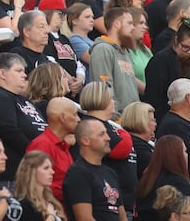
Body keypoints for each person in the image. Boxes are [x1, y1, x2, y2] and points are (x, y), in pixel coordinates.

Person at [0, 51, 47, 186]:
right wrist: (34, 154)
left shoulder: (21, 99)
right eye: (18, 70)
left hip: (33, 171)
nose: (24, 75)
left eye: (24, 71)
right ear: (2, 74)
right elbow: (8, 130)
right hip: (14, 175)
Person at [78, 81, 138, 218]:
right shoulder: (91, 126)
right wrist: (126, 136)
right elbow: (121, 148)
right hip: (107, 202)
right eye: (110, 98)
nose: (113, 101)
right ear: (101, 100)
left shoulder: (109, 126)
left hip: (123, 201)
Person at [62, 118, 127, 221]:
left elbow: (122, 216)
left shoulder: (110, 173)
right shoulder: (78, 173)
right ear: (85, 140)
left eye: (106, 133)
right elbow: (84, 218)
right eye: (101, 134)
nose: (108, 138)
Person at [145, 19, 190, 122]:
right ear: (176, 40)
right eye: (185, 47)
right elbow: (154, 99)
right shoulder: (160, 61)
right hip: (167, 119)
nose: (189, 52)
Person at [26, 96, 80, 203]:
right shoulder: (42, 144)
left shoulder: (63, 145)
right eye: (75, 114)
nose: (79, 119)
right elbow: (36, 185)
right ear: (63, 118)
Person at [88, 7, 139, 115]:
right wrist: (114, 118)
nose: (133, 27)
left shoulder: (125, 52)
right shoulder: (103, 49)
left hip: (130, 120)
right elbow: (104, 88)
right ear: (116, 24)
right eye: (129, 23)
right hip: (117, 121)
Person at [133, 135, 190, 220]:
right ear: (177, 155)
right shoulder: (178, 182)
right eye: (185, 151)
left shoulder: (146, 180)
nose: (187, 155)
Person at [15, 150, 66, 221]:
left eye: (51, 168)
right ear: (32, 172)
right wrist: (51, 217)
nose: (52, 172)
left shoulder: (51, 200)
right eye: (46, 168)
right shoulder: (24, 204)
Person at [120, 101, 156, 179]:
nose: (155, 124)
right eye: (152, 120)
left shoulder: (132, 142)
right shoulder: (140, 149)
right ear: (141, 121)